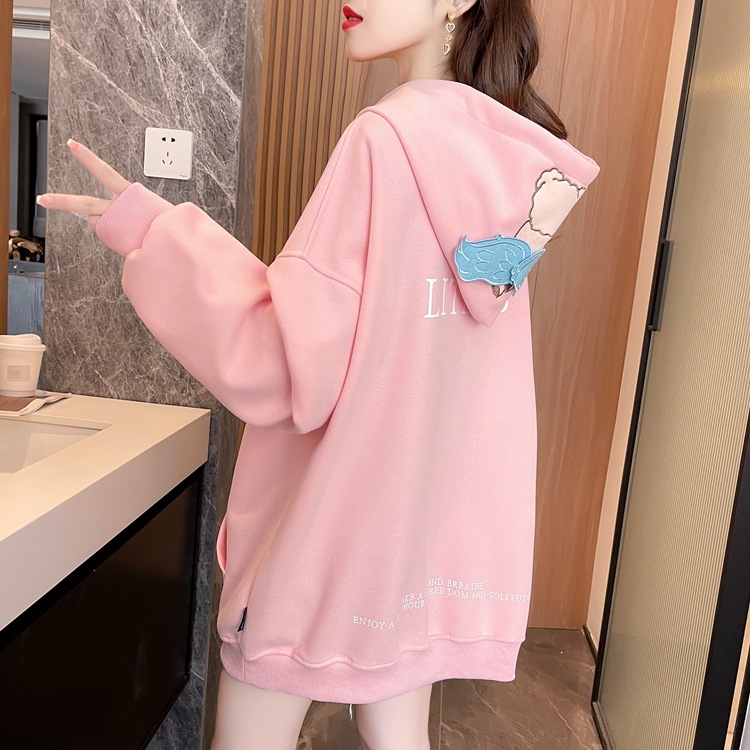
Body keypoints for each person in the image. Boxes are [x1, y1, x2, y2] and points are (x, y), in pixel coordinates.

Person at [38, 0, 600, 747]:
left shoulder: (382, 140)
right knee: (399, 735)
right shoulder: (509, 173)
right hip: (423, 549)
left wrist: (158, 238)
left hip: (328, 541)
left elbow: (284, 364)